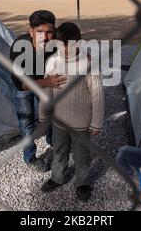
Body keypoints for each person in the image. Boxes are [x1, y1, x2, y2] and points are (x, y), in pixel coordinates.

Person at [39, 22, 104, 202]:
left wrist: (96, 121)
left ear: (79, 42)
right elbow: (46, 91)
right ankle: (57, 177)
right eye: (61, 43)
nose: (65, 48)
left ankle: (82, 182)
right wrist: (44, 114)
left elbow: (97, 94)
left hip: (82, 124)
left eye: (70, 43)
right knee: (59, 151)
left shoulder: (89, 64)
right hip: (59, 121)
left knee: (81, 154)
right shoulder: (52, 62)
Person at [9, 10, 67, 172]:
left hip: (45, 83)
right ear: (31, 32)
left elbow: (73, 48)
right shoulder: (19, 48)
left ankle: (53, 143)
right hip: (25, 86)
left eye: (49, 32)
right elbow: (22, 85)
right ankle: (30, 157)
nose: (45, 37)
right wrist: (48, 81)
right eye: (39, 32)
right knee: (26, 123)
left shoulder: (55, 44)